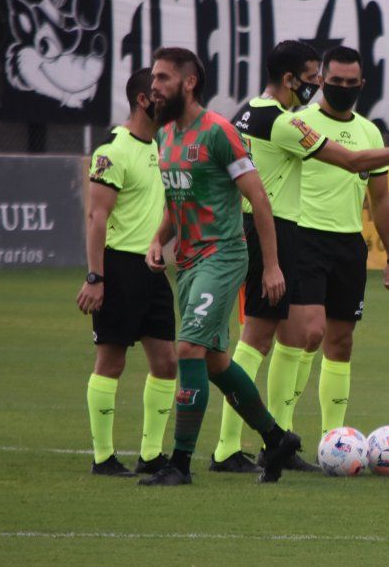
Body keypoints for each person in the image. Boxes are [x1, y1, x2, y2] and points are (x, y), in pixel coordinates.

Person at [210, 41, 389, 473]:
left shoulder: (250, 112)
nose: (320, 86)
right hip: (279, 232)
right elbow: (352, 161)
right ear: (289, 79)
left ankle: (284, 441)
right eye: (317, 78)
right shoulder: (286, 122)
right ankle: (237, 445)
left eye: (334, 80)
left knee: (301, 335)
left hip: (286, 234)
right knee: (263, 338)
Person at [138, 46, 298, 486]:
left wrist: (271, 267)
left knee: (187, 349)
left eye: (164, 78)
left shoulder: (219, 132)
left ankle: (180, 464)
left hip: (223, 255)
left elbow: (258, 199)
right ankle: (276, 438)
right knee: (213, 361)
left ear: (189, 82)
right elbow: (178, 199)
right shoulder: (164, 135)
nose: (155, 85)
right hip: (187, 263)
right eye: (154, 78)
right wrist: (158, 240)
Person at [291, 45, 389, 438]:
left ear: (362, 84)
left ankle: (333, 439)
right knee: (310, 333)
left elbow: (381, 199)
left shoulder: (369, 131)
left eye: (350, 83)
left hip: (348, 246)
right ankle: (282, 430)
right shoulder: (297, 123)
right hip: (303, 238)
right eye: (334, 81)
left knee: (340, 342)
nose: (342, 87)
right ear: (320, 80)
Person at [76, 68, 177, 477]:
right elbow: (96, 217)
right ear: (142, 99)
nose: (168, 102)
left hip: (153, 269)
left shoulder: (163, 146)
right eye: (162, 95)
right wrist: (95, 277)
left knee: (167, 362)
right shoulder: (113, 150)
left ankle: (151, 454)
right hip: (118, 267)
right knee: (111, 362)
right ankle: (103, 458)